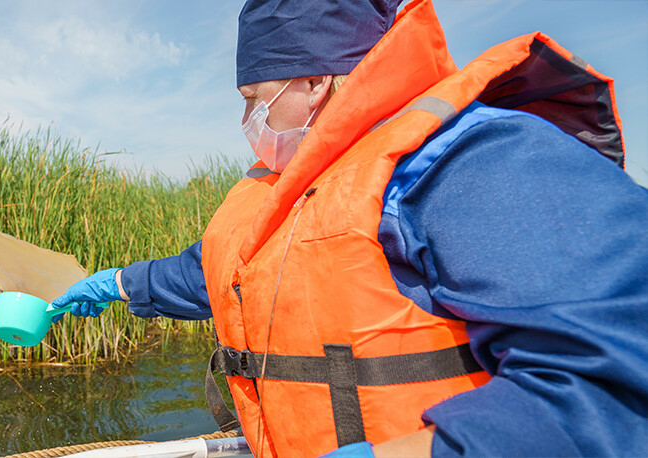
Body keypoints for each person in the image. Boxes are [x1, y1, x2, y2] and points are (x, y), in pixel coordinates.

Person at [49, 0, 648, 456]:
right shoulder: (298, 187)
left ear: (312, 82)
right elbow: (221, 273)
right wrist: (118, 284)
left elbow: (614, 378)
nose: (246, 120)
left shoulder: (480, 159)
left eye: (254, 97)